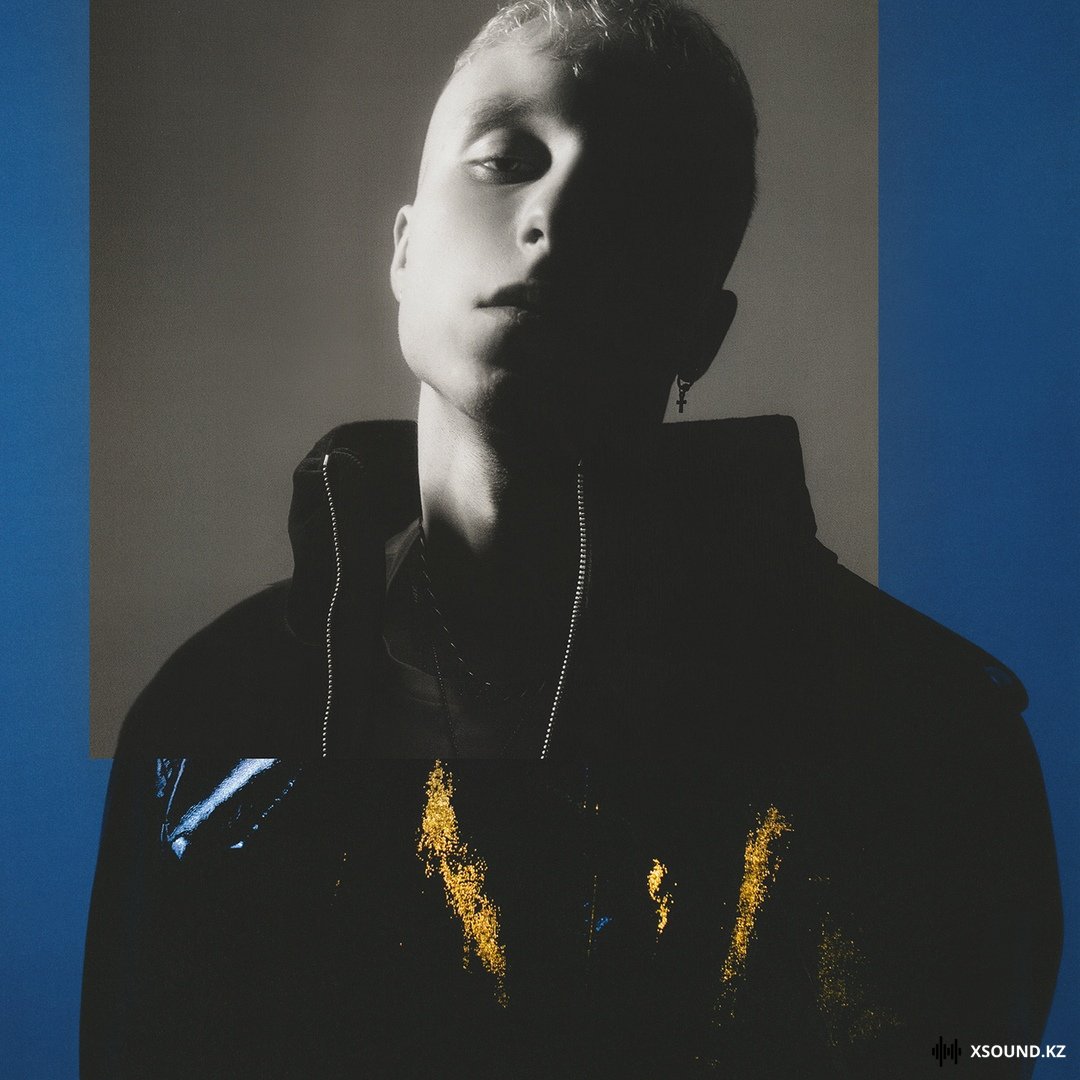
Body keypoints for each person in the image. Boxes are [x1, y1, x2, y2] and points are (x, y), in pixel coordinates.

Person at [82, 2, 1061, 1077]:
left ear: (703, 330)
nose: (554, 214)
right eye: (505, 161)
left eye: (639, 196)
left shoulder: (928, 739)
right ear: (404, 251)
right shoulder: (211, 712)